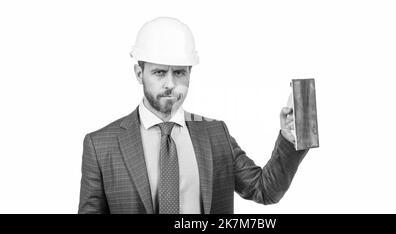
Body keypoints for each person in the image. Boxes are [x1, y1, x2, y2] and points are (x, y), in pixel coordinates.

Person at [78, 17, 309, 214]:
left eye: (179, 73)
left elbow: (263, 190)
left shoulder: (215, 134)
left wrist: (290, 139)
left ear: (190, 73)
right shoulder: (101, 145)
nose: (170, 84)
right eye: (159, 72)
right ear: (139, 73)